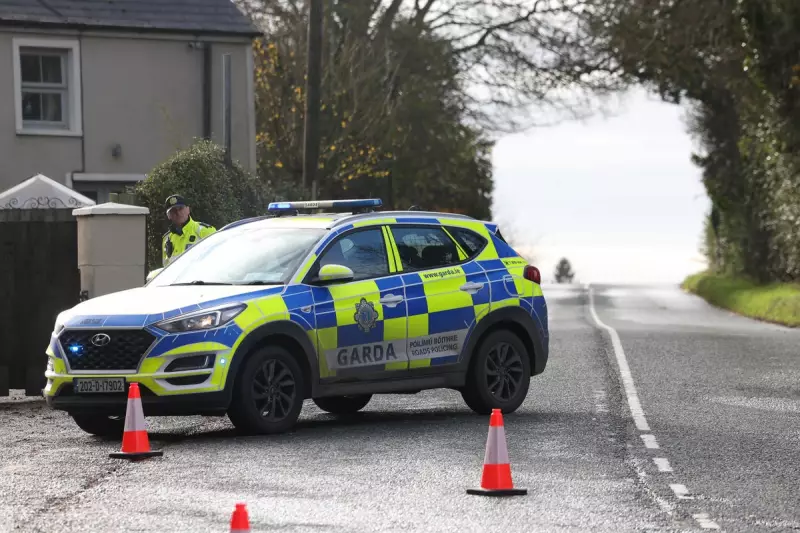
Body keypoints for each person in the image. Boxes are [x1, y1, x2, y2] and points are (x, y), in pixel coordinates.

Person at [162, 194, 216, 267]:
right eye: (173, 211)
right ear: (169, 216)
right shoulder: (167, 239)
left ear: (188, 210)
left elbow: (216, 261)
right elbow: (165, 267)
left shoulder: (204, 231)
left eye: (180, 208)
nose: (178, 213)